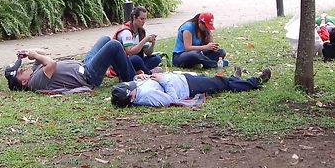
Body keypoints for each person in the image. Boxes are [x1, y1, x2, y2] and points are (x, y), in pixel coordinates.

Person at [3, 36, 136, 93]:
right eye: (20, 72)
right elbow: (52, 64)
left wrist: (27, 52)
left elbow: (43, 52)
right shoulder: (35, 82)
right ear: (24, 82)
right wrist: (36, 56)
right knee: (114, 45)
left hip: (83, 64)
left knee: (105, 39)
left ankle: (121, 69)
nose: (22, 69)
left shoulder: (34, 70)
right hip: (88, 75)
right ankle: (130, 79)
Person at [111, 68, 272, 108]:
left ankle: (236, 78)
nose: (132, 86)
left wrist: (138, 78)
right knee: (222, 83)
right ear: (131, 98)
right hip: (187, 87)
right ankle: (255, 81)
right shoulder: (148, 97)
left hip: (182, 77)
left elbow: (135, 84)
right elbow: (172, 100)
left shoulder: (137, 89)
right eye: (130, 88)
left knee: (217, 79)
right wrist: (163, 80)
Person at [113, 6, 162, 73]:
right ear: (134, 17)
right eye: (141, 19)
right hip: (124, 62)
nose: (144, 21)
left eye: (145, 19)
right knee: (136, 59)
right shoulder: (126, 31)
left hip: (137, 60)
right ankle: (148, 72)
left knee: (156, 58)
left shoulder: (141, 31)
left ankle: (139, 71)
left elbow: (148, 53)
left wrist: (153, 43)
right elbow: (130, 52)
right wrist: (144, 40)